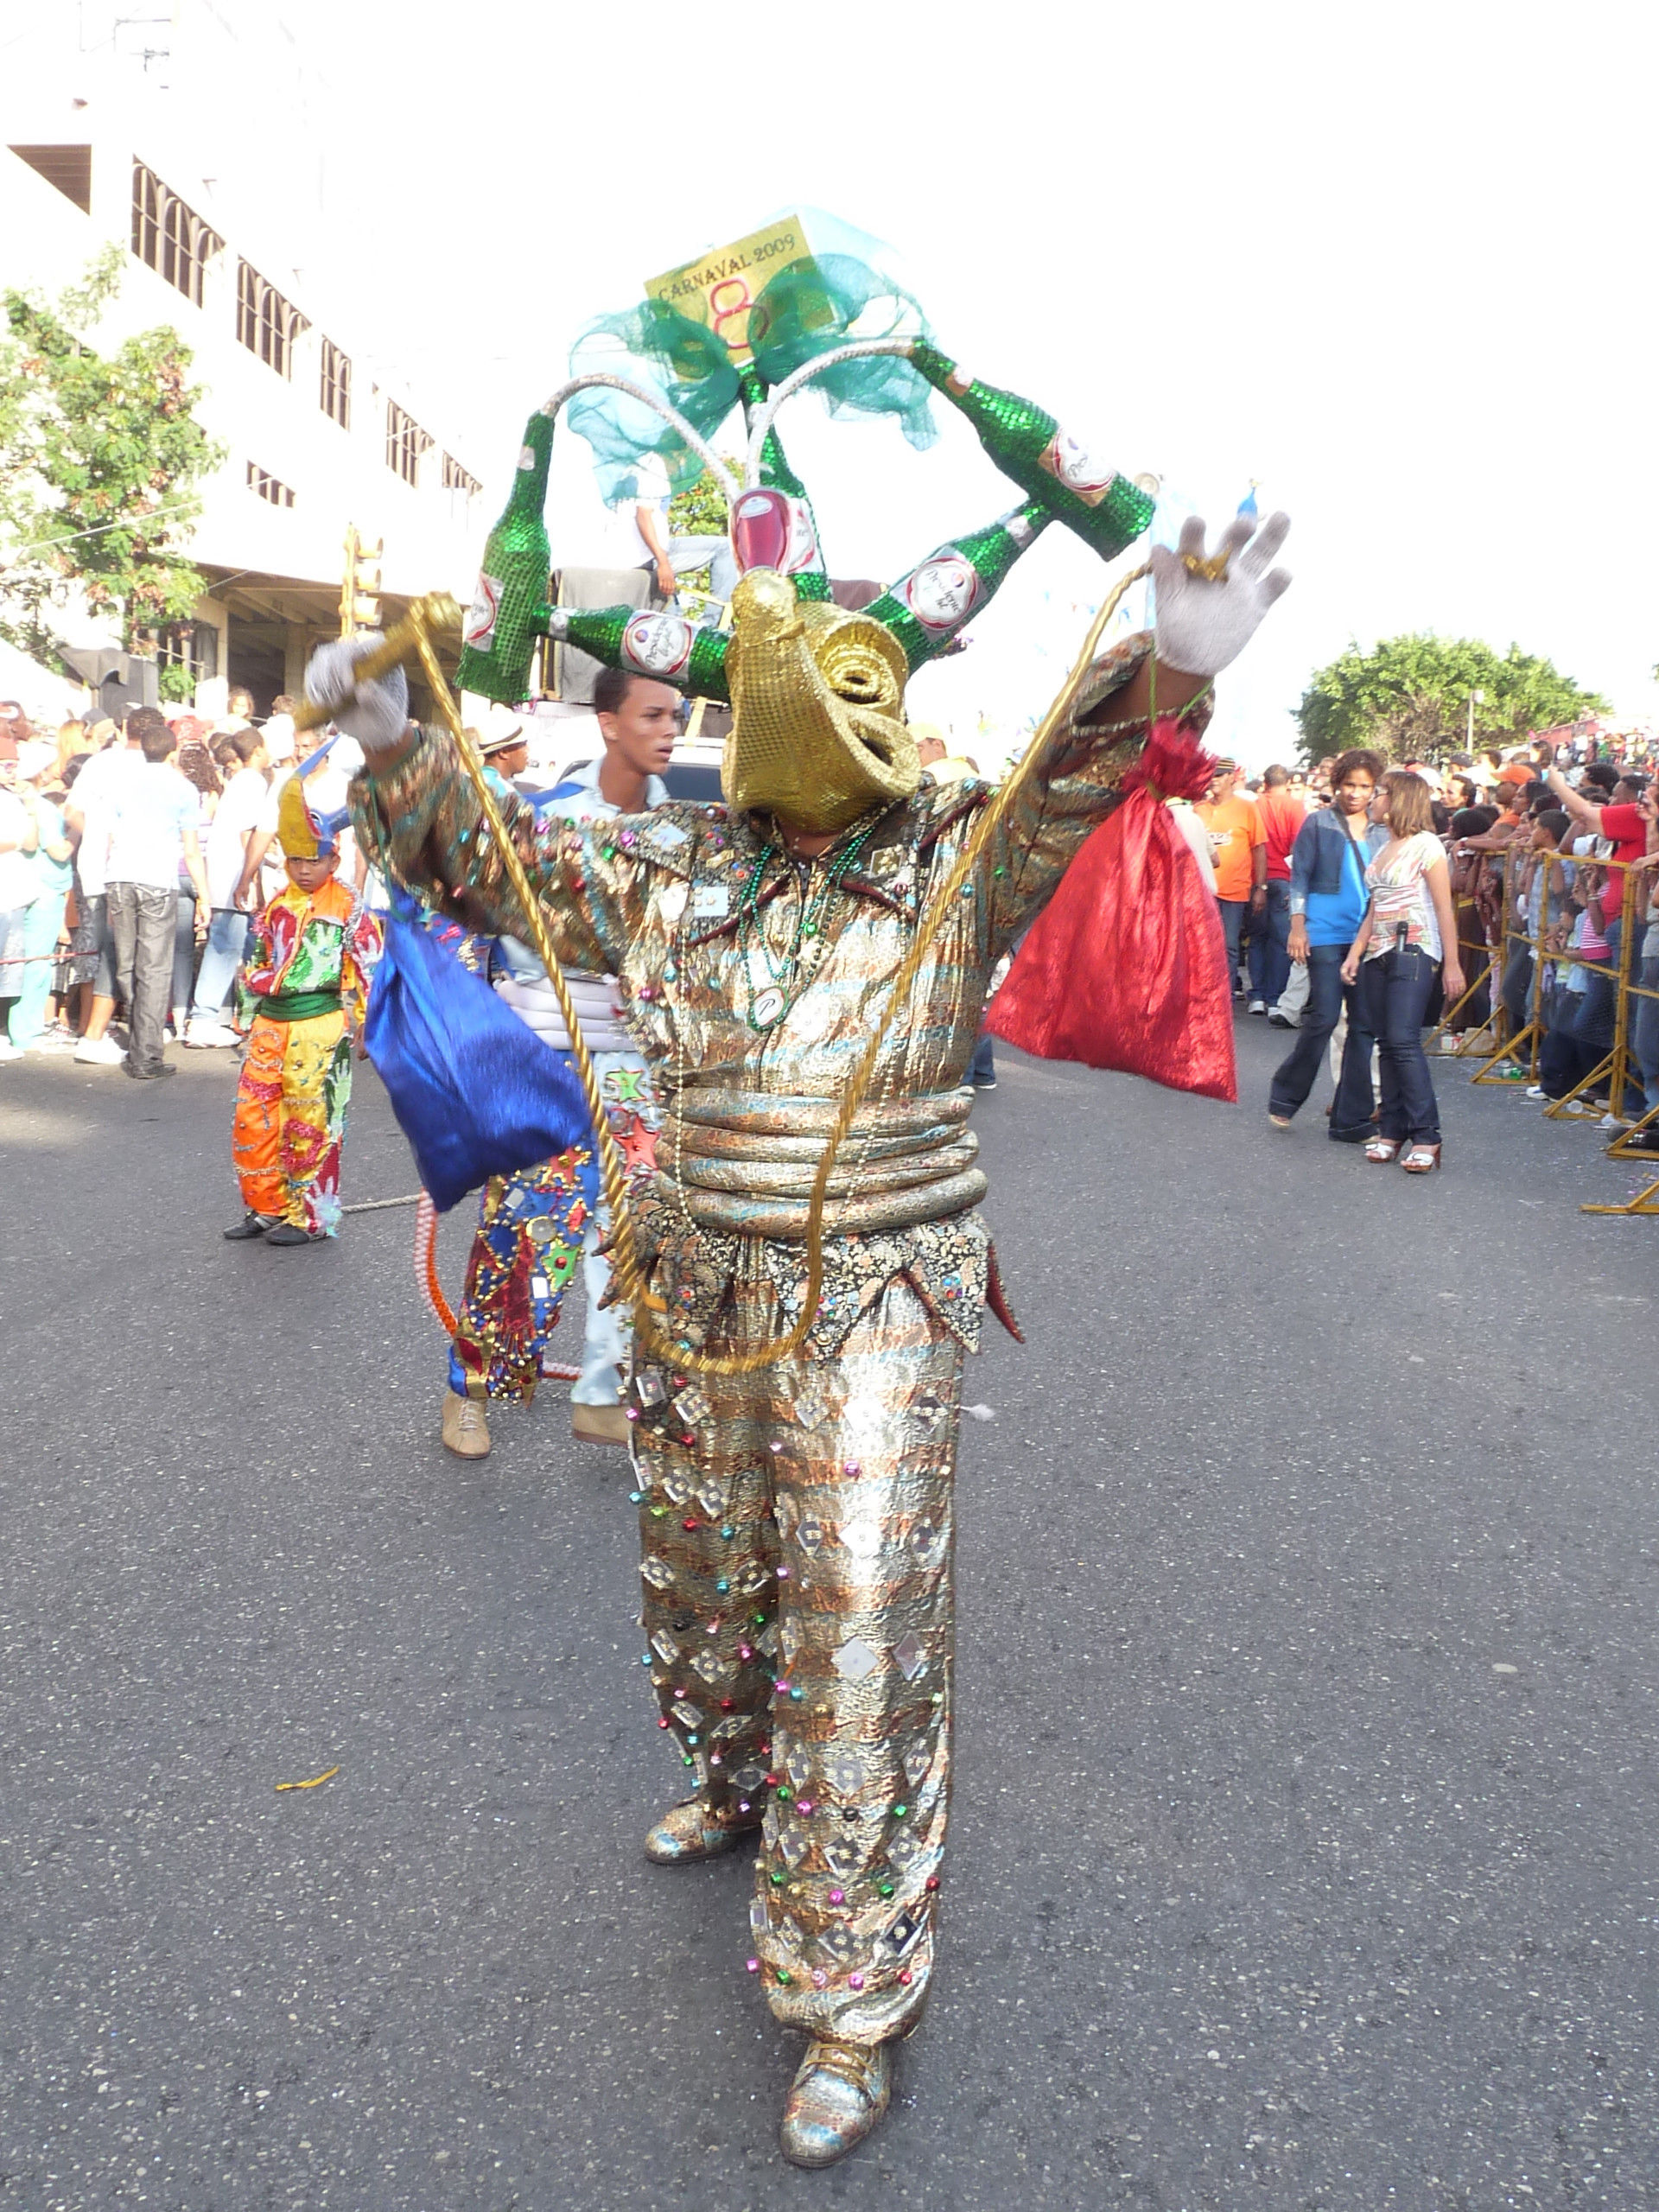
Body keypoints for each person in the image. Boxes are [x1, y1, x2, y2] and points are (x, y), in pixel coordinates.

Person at [318, 501, 1292, 2167]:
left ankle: (850, 1996)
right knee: (706, 1570)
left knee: (854, 1611)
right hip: (699, 1280)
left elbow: (1070, 772)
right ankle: (736, 1769)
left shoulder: (949, 864)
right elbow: (484, 865)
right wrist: (404, 740)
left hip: (884, 1296)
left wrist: (1164, 675)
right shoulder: (668, 867)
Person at [440, 666, 671, 1460]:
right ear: (609, 723)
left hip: (638, 1073)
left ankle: (604, 1392)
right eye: (653, 714)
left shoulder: (687, 835)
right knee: (527, 1233)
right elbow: (489, 931)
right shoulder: (549, 824)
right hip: (551, 1065)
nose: (670, 729)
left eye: (676, 714)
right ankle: (467, 1389)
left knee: (637, 1237)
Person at [225, 772, 379, 1243]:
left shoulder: (350, 908)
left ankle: (310, 1217)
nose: (305, 869)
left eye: (314, 859)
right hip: (272, 1027)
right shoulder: (275, 906)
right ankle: (266, 1207)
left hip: (320, 1028)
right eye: (295, 860)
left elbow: (373, 969)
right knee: (255, 1115)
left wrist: (371, 1027)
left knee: (311, 1121)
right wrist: (246, 1015)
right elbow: (257, 959)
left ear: (334, 858)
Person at [1339, 771, 1464, 1172]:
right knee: (1386, 1042)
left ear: (1397, 799)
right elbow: (1375, 906)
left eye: (1379, 794)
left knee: (1403, 1039)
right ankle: (1392, 1129)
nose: (1372, 800)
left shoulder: (1426, 846)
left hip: (1415, 948)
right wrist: (1355, 951)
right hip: (1378, 951)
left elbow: (1444, 907)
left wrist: (1453, 963)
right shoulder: (1384, 847)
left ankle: (1428, 1135)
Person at [1268, 749, 1385, 1135]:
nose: (1355, 793)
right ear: (1337, 785)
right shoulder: (1318, 823)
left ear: (1374, 789)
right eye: (1349, 784)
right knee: (1324, 1017)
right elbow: (1299, 876)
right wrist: (1297, 927)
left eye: (1364, 786)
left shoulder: (1383, 829)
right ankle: (1285, 1096)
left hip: (1367, 936)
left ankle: (1350, 1117)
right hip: (1324, 933)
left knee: (1363, 1025)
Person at [95, 709, 210, 1080]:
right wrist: (204, 896)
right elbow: (191, 851)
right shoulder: (183, 789)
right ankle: (146, 1052)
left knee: (127, 961)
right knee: (155, 967)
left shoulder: (119, 783)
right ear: (173, 752)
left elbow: (108, 837)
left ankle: (140, 1037)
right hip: (158, 879)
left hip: (119, 877)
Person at [64, 715, 144, 1064]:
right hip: (123, 872)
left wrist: (94, 840)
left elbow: (71, 812)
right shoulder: (149, 768)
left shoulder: (98, 763)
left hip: (94, 868)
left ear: (125, 730)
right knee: (114, 952)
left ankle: (88, 1029)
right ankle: (94, 1033)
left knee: (93, 950)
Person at [187, 728, 270, 1044]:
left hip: (222, 872)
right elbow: (249, 834)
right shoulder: (253, 781)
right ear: (259, 750)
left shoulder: (238, 783)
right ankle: (204, 1018)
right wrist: (251, 880)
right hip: (234, 874)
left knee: (233, 944)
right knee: (225, 947)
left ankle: (219, 1015)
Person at [0, 741, 75, 1058]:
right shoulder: (42, 806)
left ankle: (19, 1030)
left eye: (14, 765)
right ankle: (25, 1031)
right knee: (32, 964)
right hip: (39, 890)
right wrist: (77, 833)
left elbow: (29, 844)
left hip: (27, 889)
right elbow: (55, 850)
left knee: (22, 964)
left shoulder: (28, 803)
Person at [1194, 758, 1266, 999]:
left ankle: (1223, 994)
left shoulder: (1247, 809)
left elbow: (1259, 849)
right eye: (1210, 775)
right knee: (1200, 944)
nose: (1212, 780)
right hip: (1201, 890)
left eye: (1218, 775)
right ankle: (1201, 992)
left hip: (1234, 890)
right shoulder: (1199, 809)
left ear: (1231, 778)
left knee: (1228, 946)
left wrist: (1261, 887)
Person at [1249, 763, 1305, 1012]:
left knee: (1257, 938)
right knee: (1280, 941)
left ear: (1265, 781)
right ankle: (1274, 998)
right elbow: (1298, 848)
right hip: (1283, 878)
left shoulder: (1254, 806)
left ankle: (1257, 995)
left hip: (1255, 879)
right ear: (1288, 782)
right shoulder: (1295, 807)